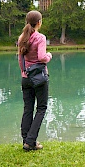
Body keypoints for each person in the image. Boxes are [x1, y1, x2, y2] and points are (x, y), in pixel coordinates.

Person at [17, 10, 52, 151]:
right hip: (39, 78)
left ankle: (26, 141)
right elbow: (42, 56)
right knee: (41, 108)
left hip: (26, 78)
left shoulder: (22, 38)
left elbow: (20, 59)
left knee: (28, 109)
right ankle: (30, 141)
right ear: (39, 22)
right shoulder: (40, 37)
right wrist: (49, 55)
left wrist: (24, 73)